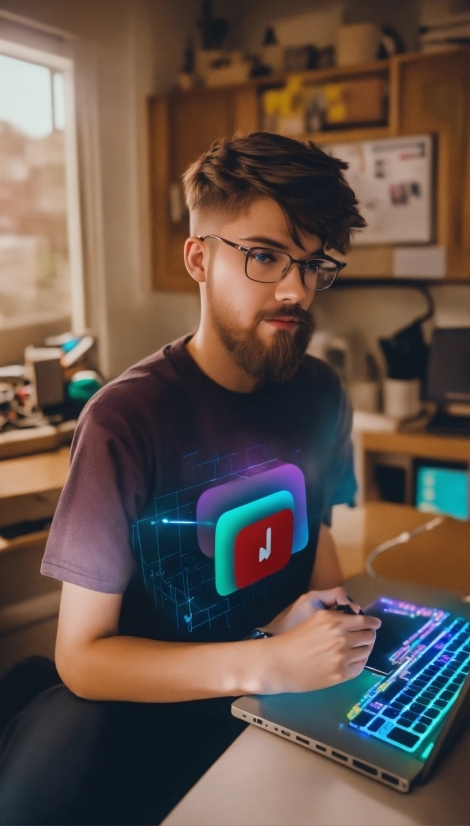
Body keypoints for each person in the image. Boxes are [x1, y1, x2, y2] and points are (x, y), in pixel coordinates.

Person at [0, 132, 380, 825]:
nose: (295, 289)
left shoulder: (323, 392)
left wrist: (329, 622)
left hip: (275, 713)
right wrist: (265, 663)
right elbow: (82, 659)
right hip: (148, 729)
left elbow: (318, 551)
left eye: (314, 264)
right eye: (265, 256)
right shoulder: (124, 420)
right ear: (199, 259)